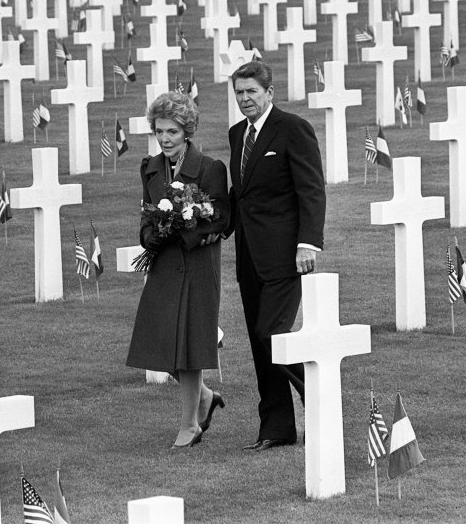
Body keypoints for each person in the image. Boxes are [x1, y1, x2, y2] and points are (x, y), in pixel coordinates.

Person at [227, 60, 326, 452]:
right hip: (248, 255)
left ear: (270, 92)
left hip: (287, 255)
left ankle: (321, 400)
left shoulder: (293, 129)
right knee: (258, 341)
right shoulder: (238, 134)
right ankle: (276, 427)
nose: (245, 99)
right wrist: (208, 224)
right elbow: (242, 196)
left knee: (274, 334)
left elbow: (312, 189)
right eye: (239, 93)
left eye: (252, 91)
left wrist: (308, 243)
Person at [126, 92, 230, 449]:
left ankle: (189, 425)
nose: (165, 138)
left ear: (187, 130)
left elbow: (222, 218)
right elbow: (145, 214)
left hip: (198, 265)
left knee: (189, 343)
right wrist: (150, 234)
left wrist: (187, 227)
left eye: (172, 131)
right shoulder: (150, 167)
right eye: (159, 131)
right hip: (164, 264)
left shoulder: (210, 168)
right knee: (155, 337)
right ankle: (203, 396)